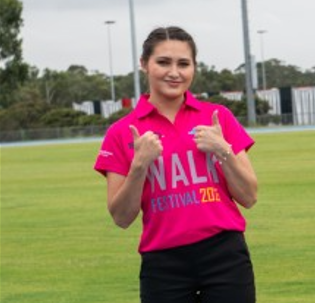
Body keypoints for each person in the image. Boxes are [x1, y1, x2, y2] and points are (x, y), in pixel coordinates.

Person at [94, 26, 258, 303]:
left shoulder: (218, 118)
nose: (174, 72)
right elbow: (121, 218)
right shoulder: (122, 132)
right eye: (163, 62)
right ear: (144, 64)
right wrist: (139, 166)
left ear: (194, 67)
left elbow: (250, 196)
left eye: (184, 63)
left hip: (225, 256)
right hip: (163, 264)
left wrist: (222, 150)